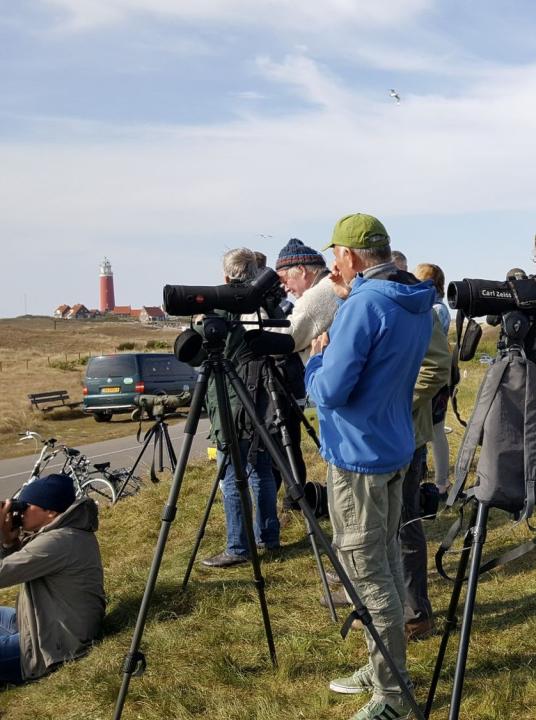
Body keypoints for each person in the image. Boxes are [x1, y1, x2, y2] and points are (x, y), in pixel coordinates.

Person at [306, 213, 434, 720]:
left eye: (335, 253)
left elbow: (331, 390)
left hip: (358, 457)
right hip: (395, 446)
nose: (332, 263)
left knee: (369, 573)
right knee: (381, 559)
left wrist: (317, 357)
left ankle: (393, 697)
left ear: (353, 256)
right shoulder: (412, 300)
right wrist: (347, 303)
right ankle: (382, 667)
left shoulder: (364, 304)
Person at [202, 248, 280, 568]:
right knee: (261, 468)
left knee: (233, 474)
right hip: (262, 398)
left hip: (232, 399)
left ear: (225, 277)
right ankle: (268, 537)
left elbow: (197, 353)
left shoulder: (222, 310)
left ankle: (238, 545)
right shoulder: (265, 303)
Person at [0, 474, 105, 685]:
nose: (19, 512)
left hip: (55, 646)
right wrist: (9, 544)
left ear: (50, 512)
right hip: (52, 624)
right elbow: (23, 564)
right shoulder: (66, 532)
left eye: (26, 505)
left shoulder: (58, 541)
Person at [413, 263, 451, 499]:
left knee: (436, 429)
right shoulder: (439, 307)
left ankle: (442, 482)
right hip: (437, 377)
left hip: (434, 380)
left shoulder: (435, 310)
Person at [275, 238, 339, 364]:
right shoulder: (334, 283)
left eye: (285, 281)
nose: (286, 289)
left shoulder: (316, 295)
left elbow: (281, 342)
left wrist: (250, 310)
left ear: (302, 271)